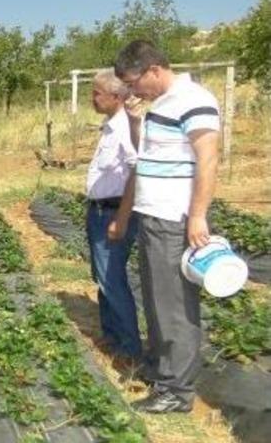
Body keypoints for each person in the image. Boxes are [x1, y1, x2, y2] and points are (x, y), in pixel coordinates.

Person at [114, 39, 220, 413]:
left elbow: (208, 159)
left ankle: (176, 390)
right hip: (153, 216)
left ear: (153, 70)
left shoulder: (194, 99)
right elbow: (147, 153)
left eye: (133, 82)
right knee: (158, 301)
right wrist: (133, 120)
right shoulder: (161, 105)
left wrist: (197, 214)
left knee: (173, 305)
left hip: (174, 218)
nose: (132, 90)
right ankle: (161, 368)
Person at [85, 69, 142, 362]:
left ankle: (130, 348)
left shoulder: (124, 128)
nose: (92, 98)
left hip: (112, 212)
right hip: (98, 211)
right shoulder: (110, 125)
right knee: (102, 275)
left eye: (97, 93)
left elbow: (137, 172)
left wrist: (121, 218)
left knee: (112, 278)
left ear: (117, 97)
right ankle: (112, 335)